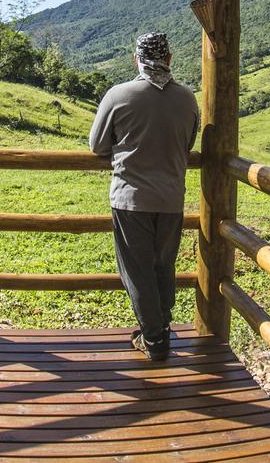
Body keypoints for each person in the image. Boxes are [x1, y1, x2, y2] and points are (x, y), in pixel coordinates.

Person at [88, 32, 199, 361]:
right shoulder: (187, 98)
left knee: (137, 270)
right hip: (171, 198)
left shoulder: (119, 95)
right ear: (169, 59)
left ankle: (154, 340)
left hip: (130, 199)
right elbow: (188, 143)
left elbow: (97, 146)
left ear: (137, 60)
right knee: (163, 265)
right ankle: (162, 326)